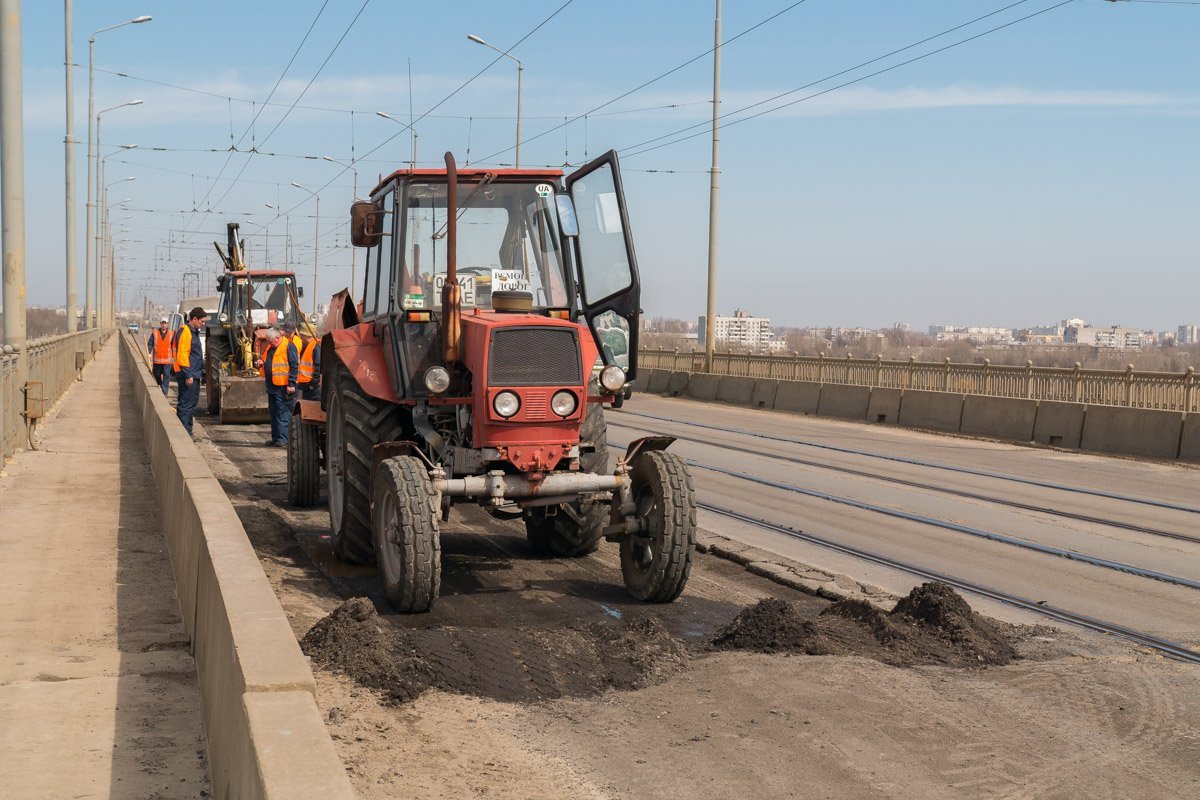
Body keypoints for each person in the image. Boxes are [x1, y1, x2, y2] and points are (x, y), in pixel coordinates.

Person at [256, 327, 297, 447]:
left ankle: (283, 439)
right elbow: (268, 361)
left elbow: (294, 366)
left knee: (283, 413)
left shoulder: (289, 346)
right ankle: (276, 438)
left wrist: (291, 384)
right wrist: (262, 364)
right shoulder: (271, 347)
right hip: (272, 386)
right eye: (268, 341)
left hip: (283, 387)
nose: (269, 343)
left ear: (278, 338)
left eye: (270, 341)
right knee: (274, 413)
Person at [172, 307, 207, 436]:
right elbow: (182, 355)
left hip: (195, 374)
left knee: (192, 404)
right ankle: (184, 433)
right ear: (195, 319)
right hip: (188, 374)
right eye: (202, 321)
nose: (203, 324)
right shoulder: (185, 332)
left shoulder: (194, 332)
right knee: (185, 404)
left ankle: (189, 431)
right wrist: (188, 375)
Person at [147, 317, 174, 396]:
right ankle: (160, 385)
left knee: (166, 375)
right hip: (157, 359)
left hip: (167, 360)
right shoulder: (155, 333)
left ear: (167, 324)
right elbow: (150, 343)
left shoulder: (171, 333)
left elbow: (173, 346)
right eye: (162, 323)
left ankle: (164, 392)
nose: (164, 325)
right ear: (160, 324)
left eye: (165, 323)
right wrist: (149, 353)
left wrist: (174, 357)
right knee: (156, 374)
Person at [296, 331, 321, 401]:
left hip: (314, 388)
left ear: (306, 336)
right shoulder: (308, 346)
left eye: (302, 336)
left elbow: (319, 367)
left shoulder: (316, 347)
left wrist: (313, 384)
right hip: (307, 387)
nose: (300, 338)